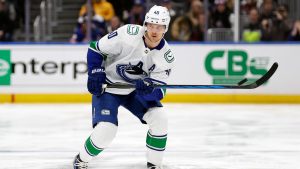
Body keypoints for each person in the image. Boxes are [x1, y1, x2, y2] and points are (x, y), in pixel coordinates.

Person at [73, 5, 175, 169]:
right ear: (145, 24)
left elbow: (160, 90)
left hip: (135, 92)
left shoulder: (166, 56)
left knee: (160, 118)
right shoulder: (128, 33)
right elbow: (95, 48)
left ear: (166, 28)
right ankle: (81, 159)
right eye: (151, 25)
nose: (154, 31)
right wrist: (95, 72)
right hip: (109, 88)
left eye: (160, 27)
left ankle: (154, 164)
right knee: (107, 130)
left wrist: (149, 89)